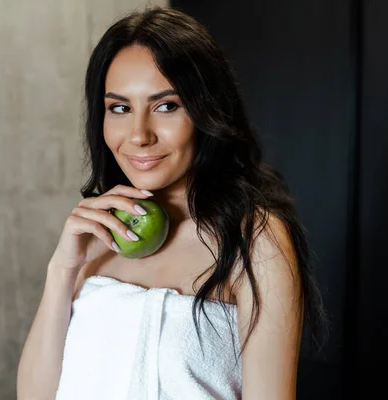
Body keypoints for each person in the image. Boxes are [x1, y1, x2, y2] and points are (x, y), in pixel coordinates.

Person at [17, 5, 327, 400]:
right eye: (120, 108)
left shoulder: (255, 241)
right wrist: (62, 270)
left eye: (166, 105)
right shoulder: (99, 232)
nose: (139, 135)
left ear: (205, 110)